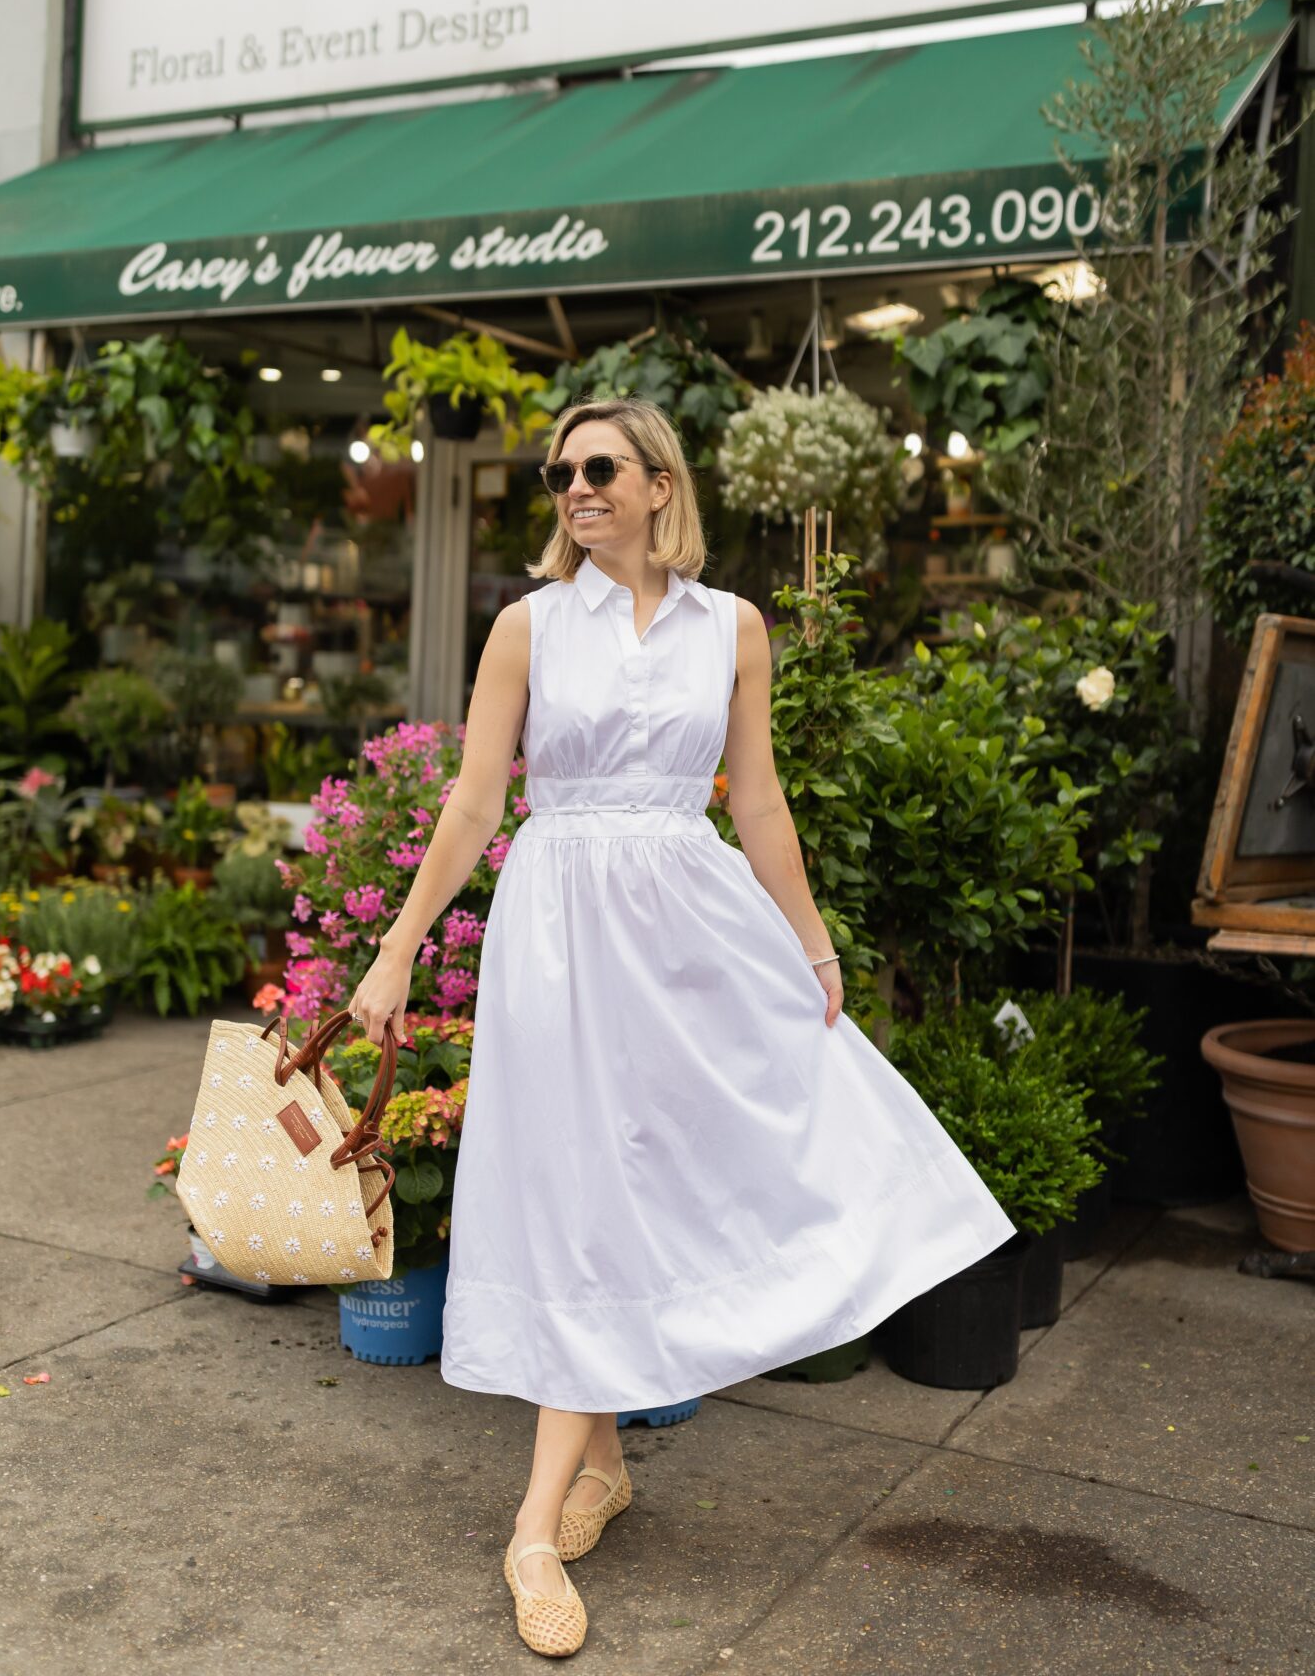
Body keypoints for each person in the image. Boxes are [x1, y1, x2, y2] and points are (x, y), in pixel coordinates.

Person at [348, 396, 1016, 1657]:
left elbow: (757, 802)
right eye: (559, 474)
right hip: (558, 932)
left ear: (663, 482)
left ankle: (593, 1475)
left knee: (654, 1177)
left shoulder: (735, 627)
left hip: (689, 927)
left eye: (599, 468)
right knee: (581, 1190)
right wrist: (395, 946)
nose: (575, 488)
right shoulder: (526, 625)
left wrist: (813, 940)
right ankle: (538, 1521)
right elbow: (477, 799)